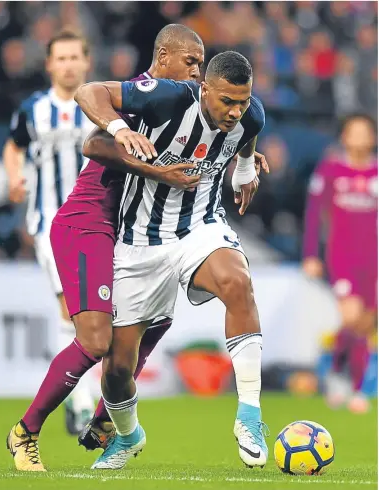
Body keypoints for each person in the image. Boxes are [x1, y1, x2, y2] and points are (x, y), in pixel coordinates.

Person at [6, 23, 206, 473]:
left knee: (152, 325)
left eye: (200, 64)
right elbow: (93, 143)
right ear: (164, 57)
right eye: (190, 61)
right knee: (95, 340)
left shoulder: (184, 106)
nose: (197, 72)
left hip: (131, 233)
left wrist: (248, 157)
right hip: (87, 223)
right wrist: (153, 165)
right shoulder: (145, 92)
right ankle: (25, 432)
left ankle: (102, 421)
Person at [75, 50, 270, 470]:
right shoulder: (166, 98)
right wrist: (119, 128)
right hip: (138, 243)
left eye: (243, 101)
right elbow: (87, 91)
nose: (236, 112)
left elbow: (247, 139)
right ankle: (128, 436)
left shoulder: (251, 115)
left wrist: (243, 171)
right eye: (226, 101)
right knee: (116, 370)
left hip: (199, 228)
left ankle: (249, 416)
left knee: (238, 282)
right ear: (204, 89)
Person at [3, 29, 97, 439]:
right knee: (71, 308)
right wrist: (13, 177)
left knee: (94, 314)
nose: (69, 64)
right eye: (61, 58)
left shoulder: (100, 107)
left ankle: (82, 401)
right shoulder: (33, 109)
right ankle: (81, 403)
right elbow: (13, 146)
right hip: (50, 223)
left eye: (75, 56)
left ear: (87, 62)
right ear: (49, 64)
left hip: (97, 223)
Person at [303, 113, 377, 414]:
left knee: (365, 323)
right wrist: (310, 254)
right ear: (344, 136)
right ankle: (355, 387)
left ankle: (337, 370)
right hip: (342, 256)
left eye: (364, 132)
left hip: (372, 259)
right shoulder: (331, 169)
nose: (359, 138)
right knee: (351, 316)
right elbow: (313, 213)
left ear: (372, 138)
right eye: (353, 132)